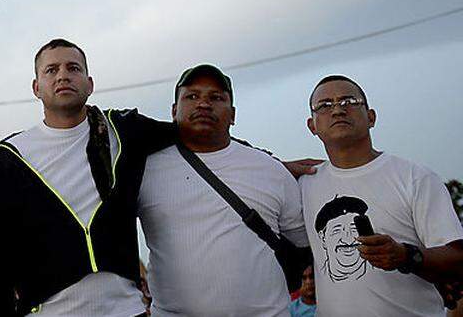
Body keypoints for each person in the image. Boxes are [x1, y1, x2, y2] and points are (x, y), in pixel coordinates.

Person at [0, 38, 176, 317]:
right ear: (36, 87)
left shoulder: (122, 131)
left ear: (89, 83)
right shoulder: (9, 157)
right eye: (51, 70)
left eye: (73, 68)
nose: (63, 76)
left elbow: (194, 135)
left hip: (127, 310)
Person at [137, 64, 308, 316]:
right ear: (174, 111)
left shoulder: (270, 170)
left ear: (233, 114)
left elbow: (306, 242)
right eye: (192, 96)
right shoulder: (144, 171)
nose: (204, 104)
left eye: (216, 97)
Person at [301, 74, 463, 316]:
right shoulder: (303, 184)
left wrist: (405, 256)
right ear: (312, 126)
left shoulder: (414, 177)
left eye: (349, 101)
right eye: (324, 106)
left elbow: (457, 258)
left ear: (371, 117)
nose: (337, 110)